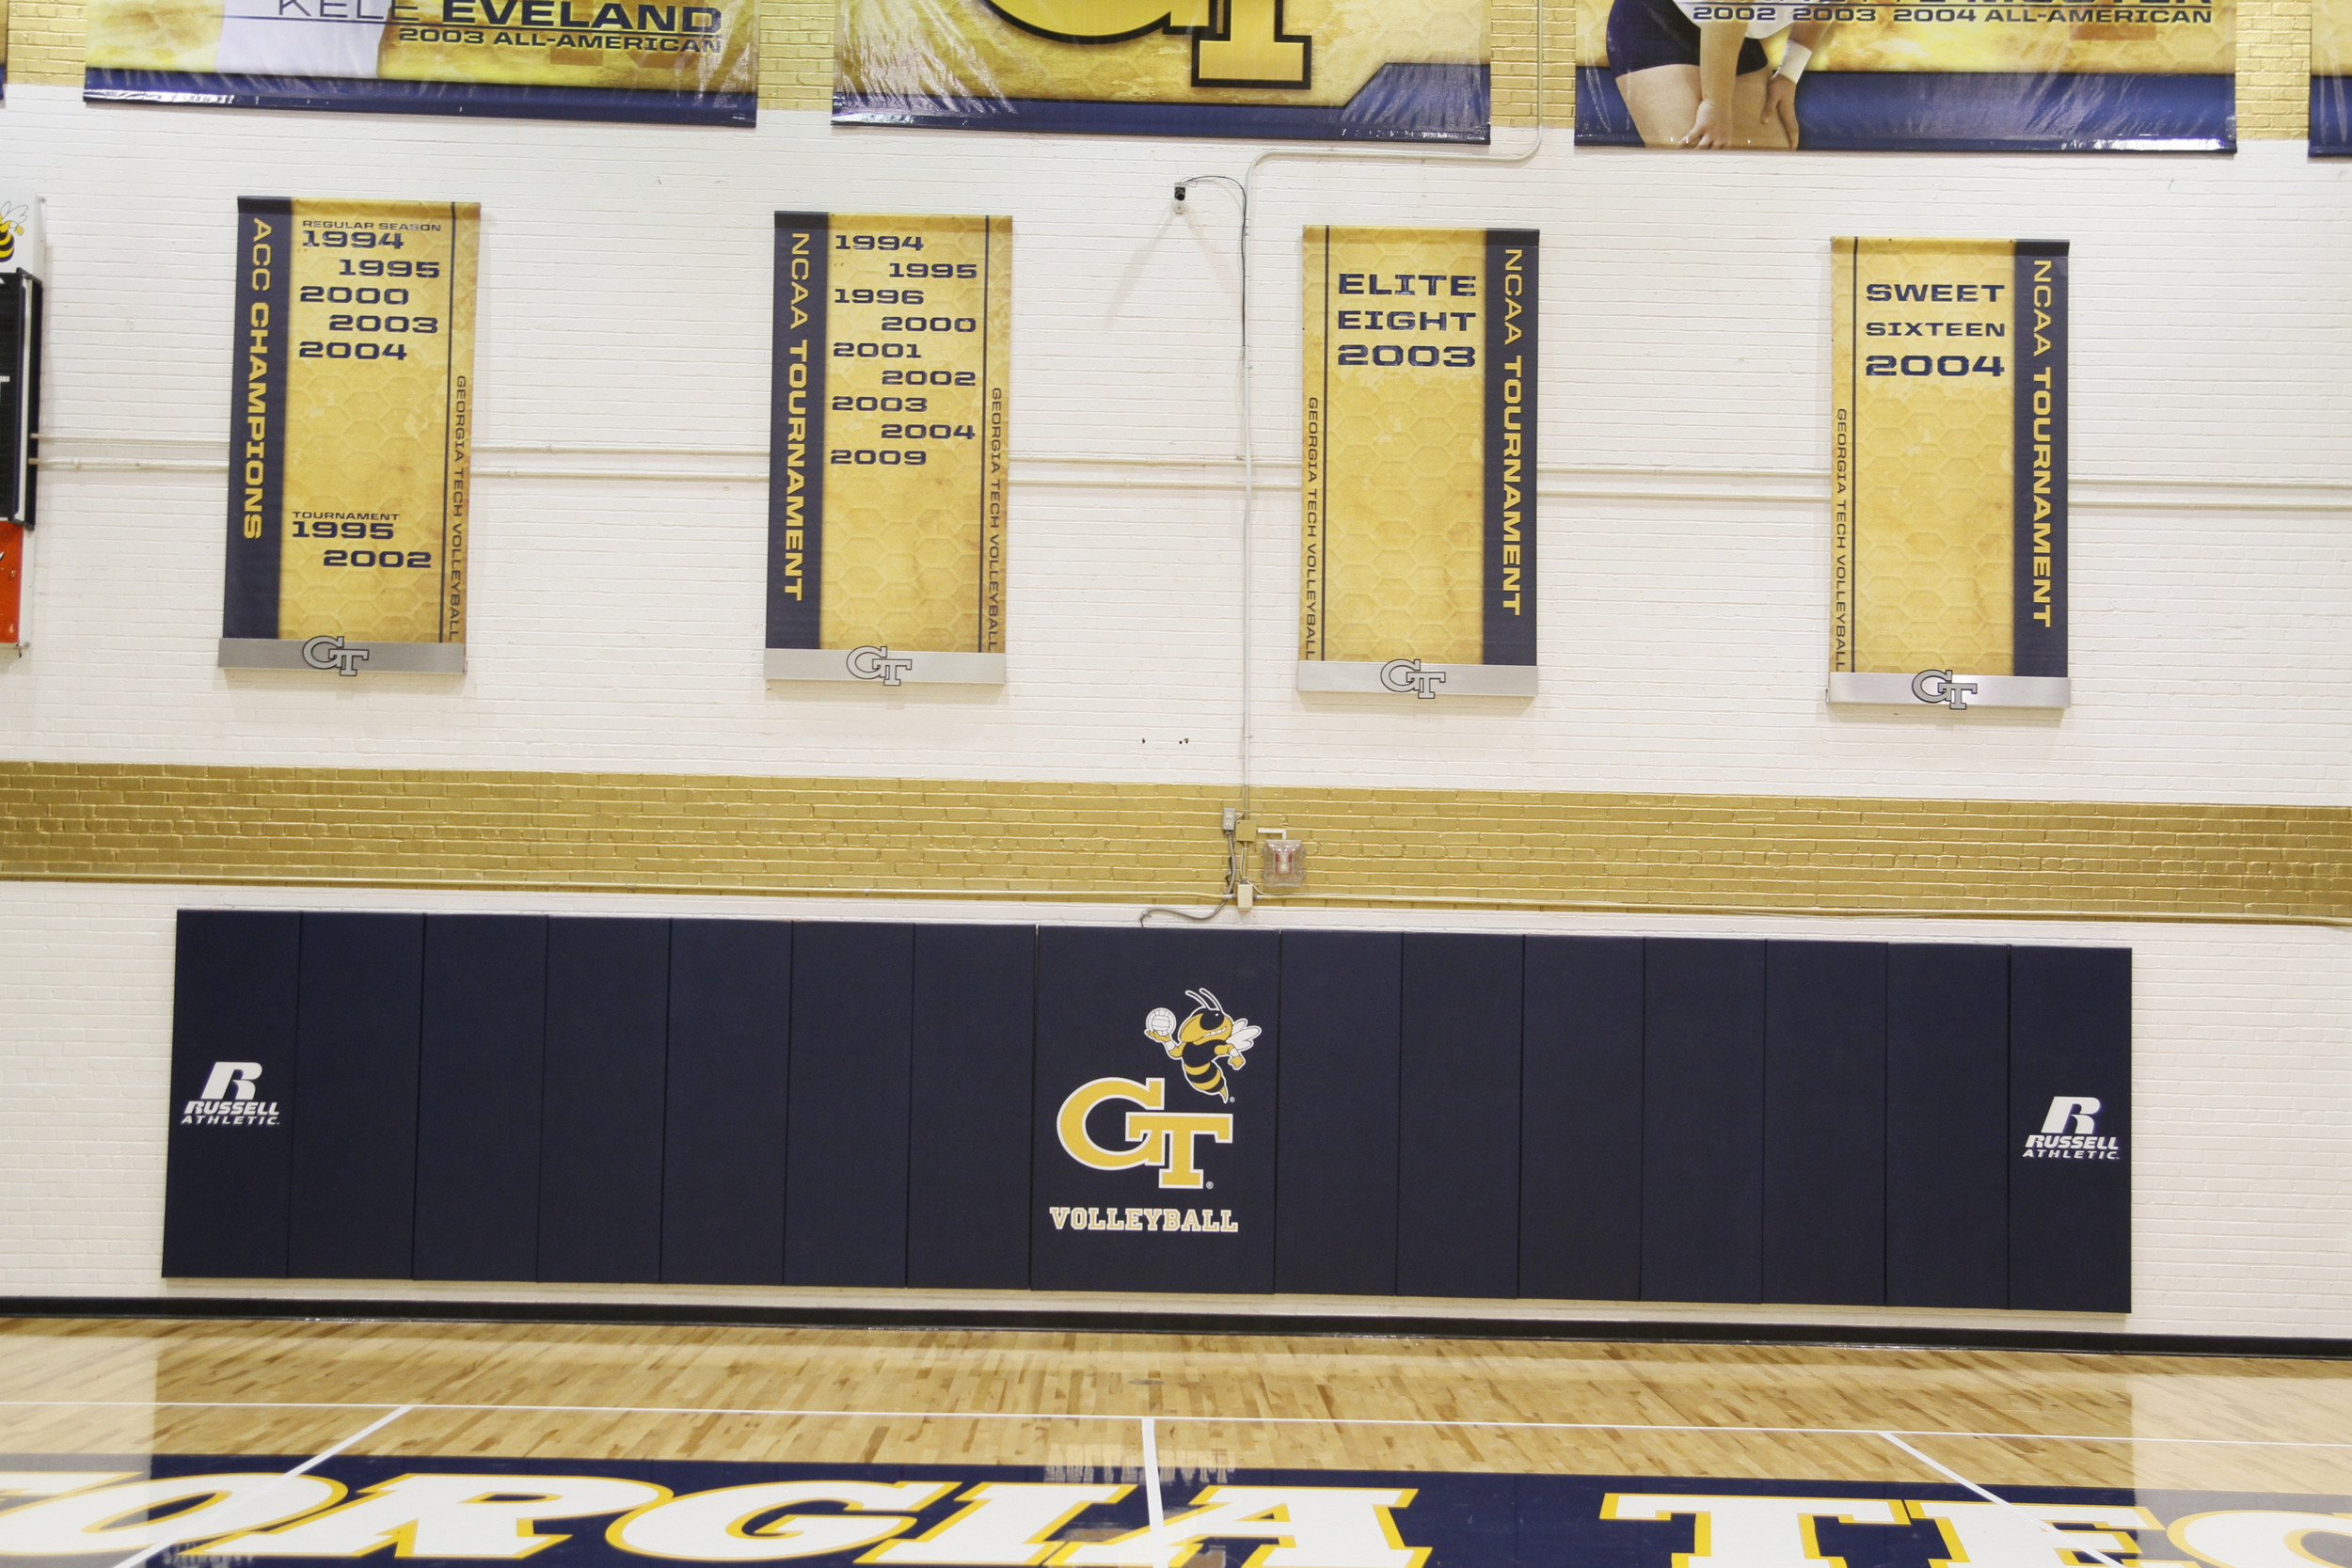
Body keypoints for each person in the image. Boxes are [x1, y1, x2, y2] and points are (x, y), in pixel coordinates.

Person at [1605, 0, 1836, 149]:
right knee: (1696, 169)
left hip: (1735, 33)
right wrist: (1716, 103)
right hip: (1661, 19)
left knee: (1769, 174)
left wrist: (1789, 74)